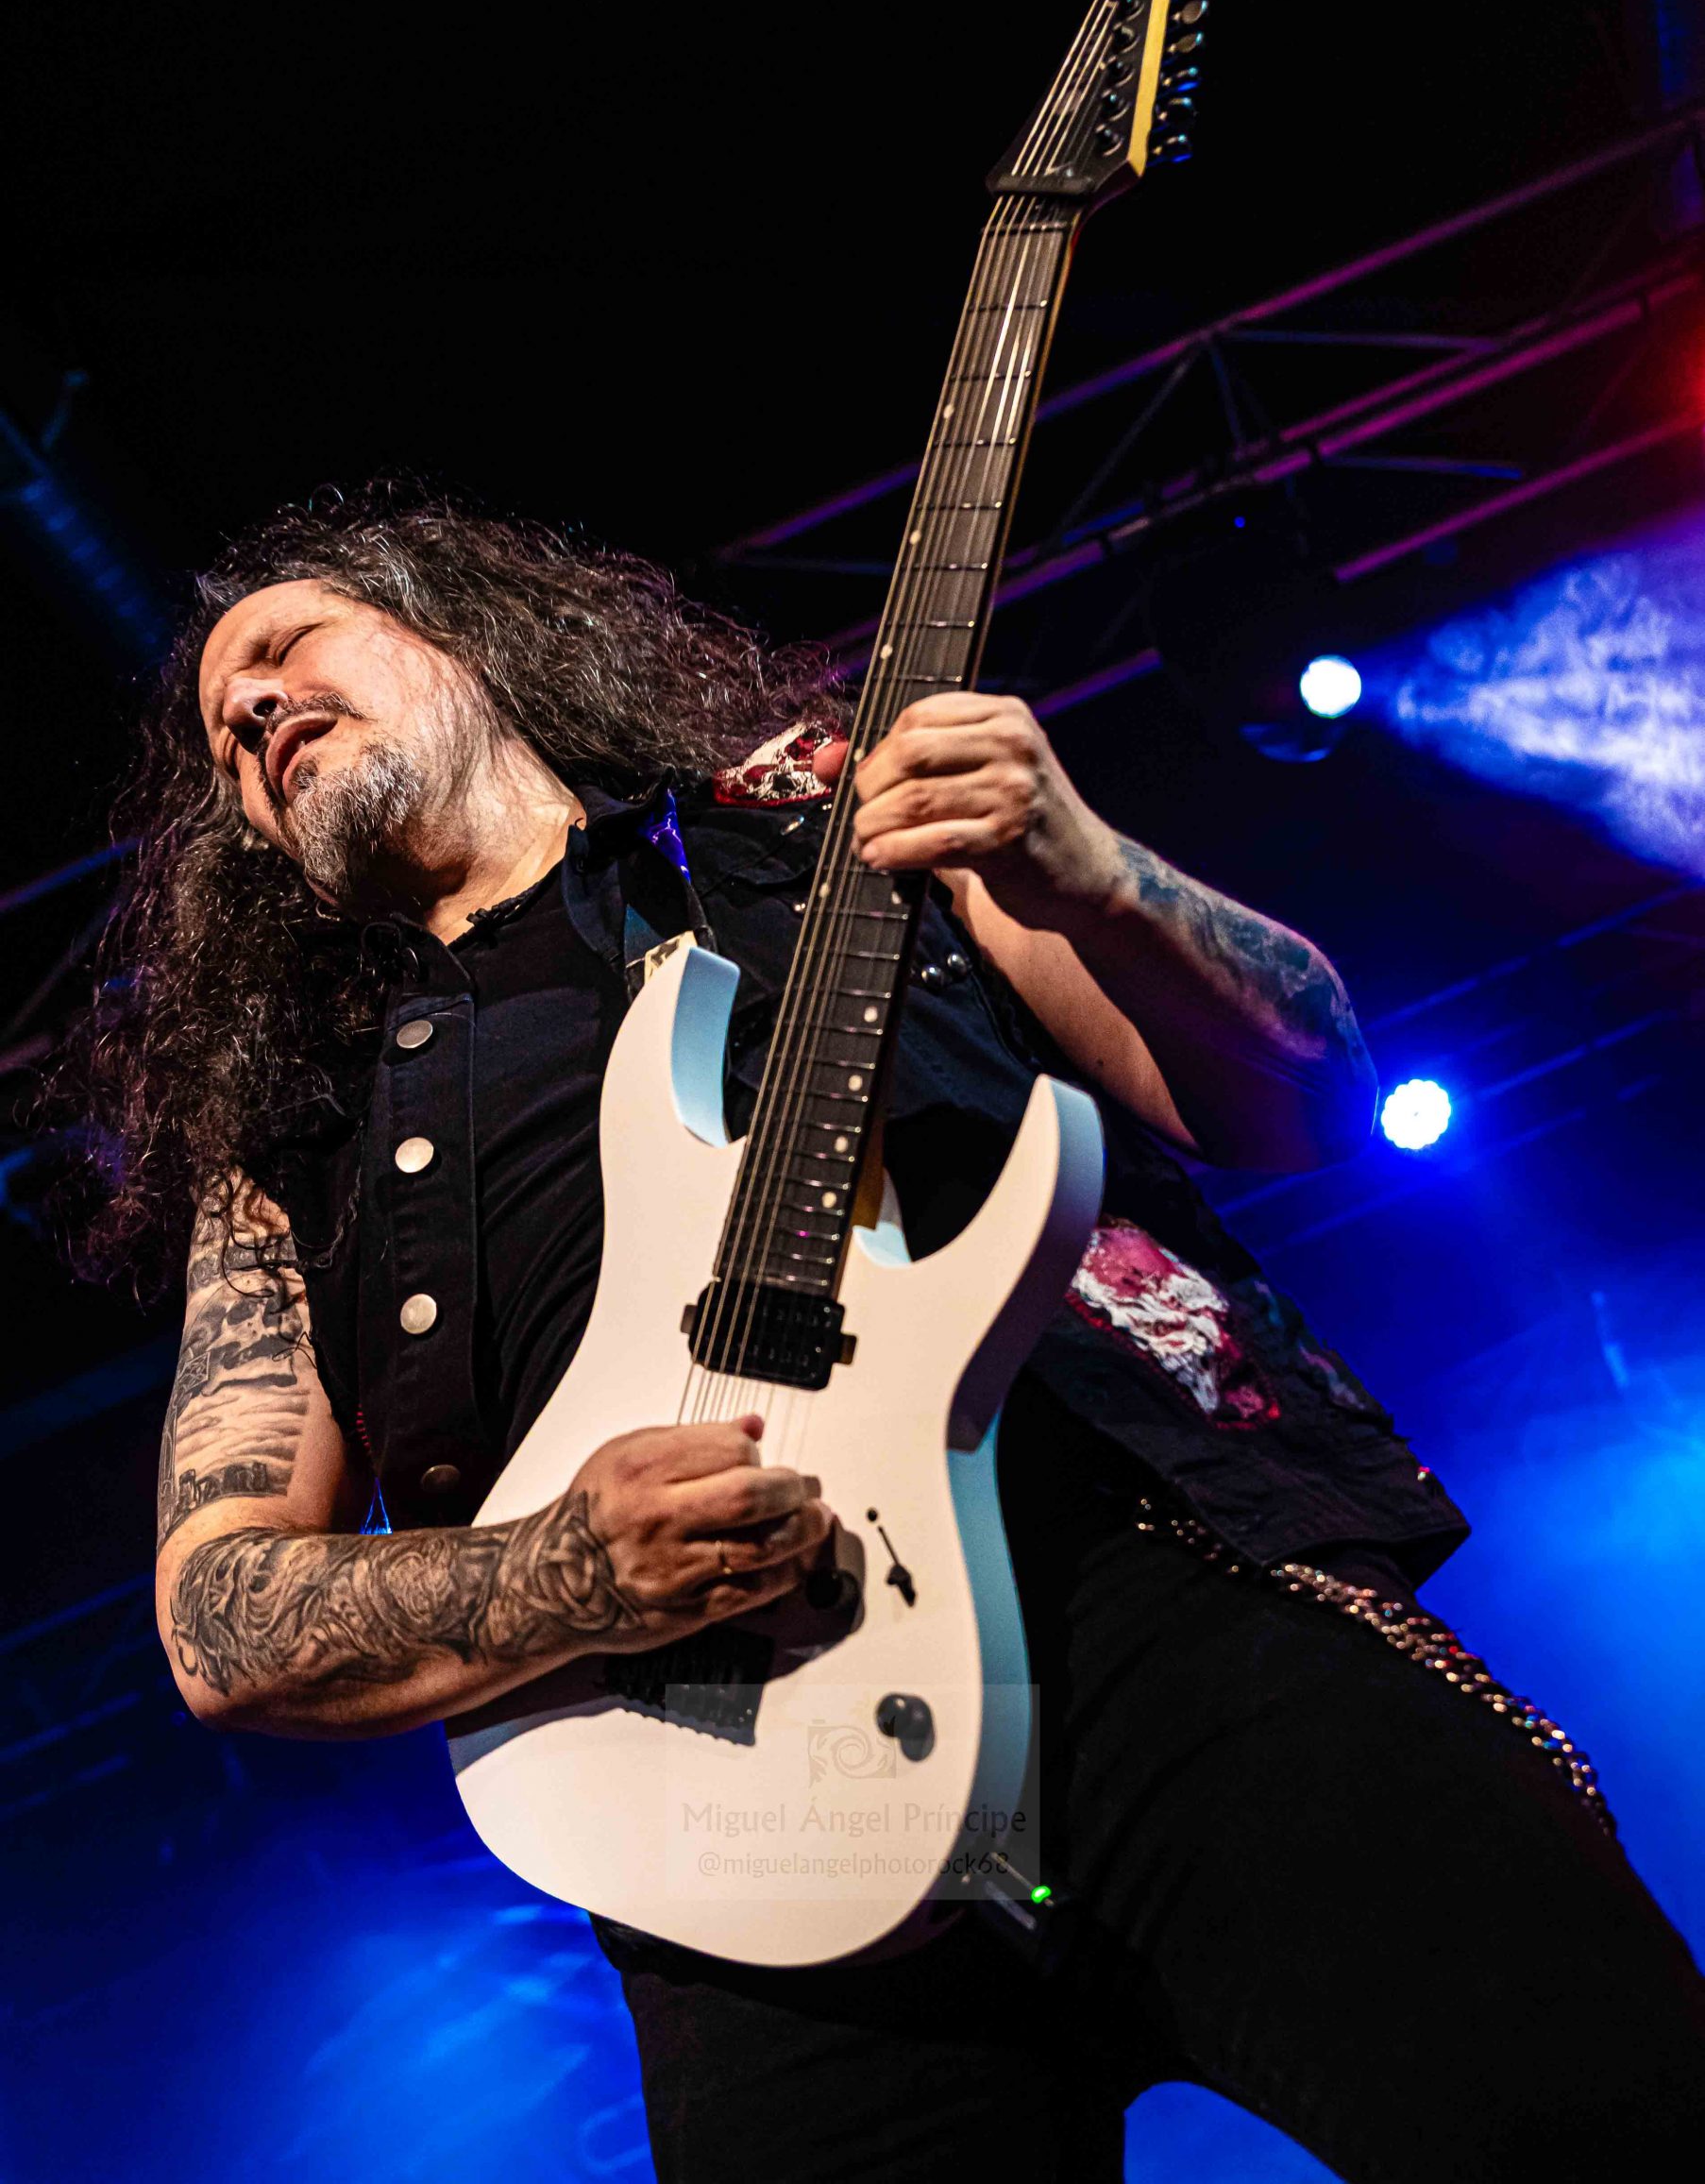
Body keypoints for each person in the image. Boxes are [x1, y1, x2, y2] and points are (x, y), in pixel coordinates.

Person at [72, 489, 1705, 2180]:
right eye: (222, 736)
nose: (247, 710)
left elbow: (1306, 1094)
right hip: (739, 1849)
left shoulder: (834, 823)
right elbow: (219, 1618)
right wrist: (565, 1572)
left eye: (286, 647)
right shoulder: (292, 1155)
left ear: (460, 636)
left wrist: (1087, 868)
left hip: (1155, 1621)